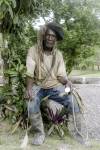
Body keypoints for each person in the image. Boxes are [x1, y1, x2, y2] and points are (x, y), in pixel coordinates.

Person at [25, 22, 80, 145]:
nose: (50, 38)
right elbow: (29, 72)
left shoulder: (58, 55)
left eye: (53, 36)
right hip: (38, 86)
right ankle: (39, 134)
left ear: (56, 39)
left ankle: (77, 133)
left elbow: (61, 76)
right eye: (48, 35)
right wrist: (29, 89)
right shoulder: (33, 51)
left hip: (54, 87)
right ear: (44, 36)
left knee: (72, 100)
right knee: (31, 102)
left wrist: (67, 82)